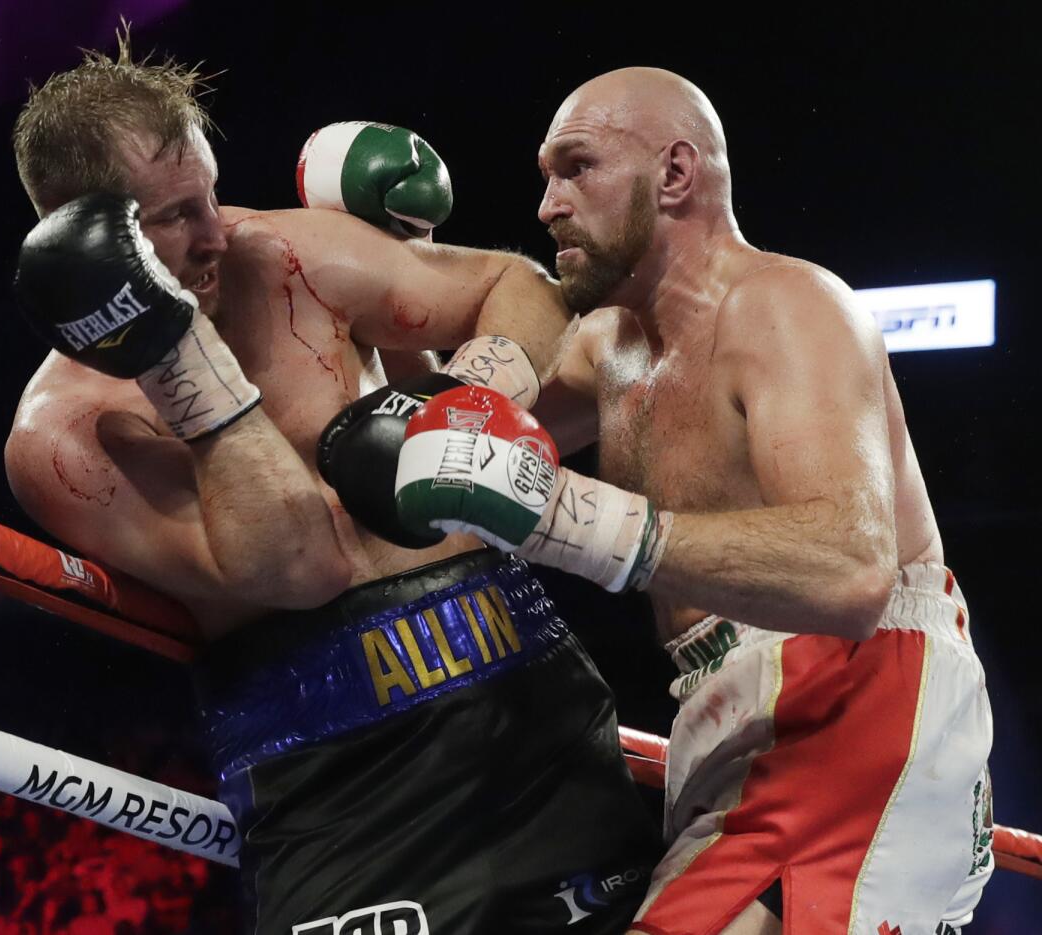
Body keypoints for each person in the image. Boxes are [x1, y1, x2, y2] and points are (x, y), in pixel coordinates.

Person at [4, 37, 659, 935]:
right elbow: (298, 563)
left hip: (534, 702)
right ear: (83, 238)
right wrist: (176, 356)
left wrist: (467, 401)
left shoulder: (279, 255)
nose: (215, 230)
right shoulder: (68, 437)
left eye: (208, 193)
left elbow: (521, 288)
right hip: (343, 784)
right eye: (173, 215)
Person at [392, 67, 994, 935]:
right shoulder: (605, 347)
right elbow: (449, 455)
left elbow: (853, 569)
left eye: (577, 167)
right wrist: (387, 264)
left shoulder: (786, 306)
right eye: (545, 177)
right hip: (728, 713)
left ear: (674, 174)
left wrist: (565, 517)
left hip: (853, 697)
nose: (548, 204)